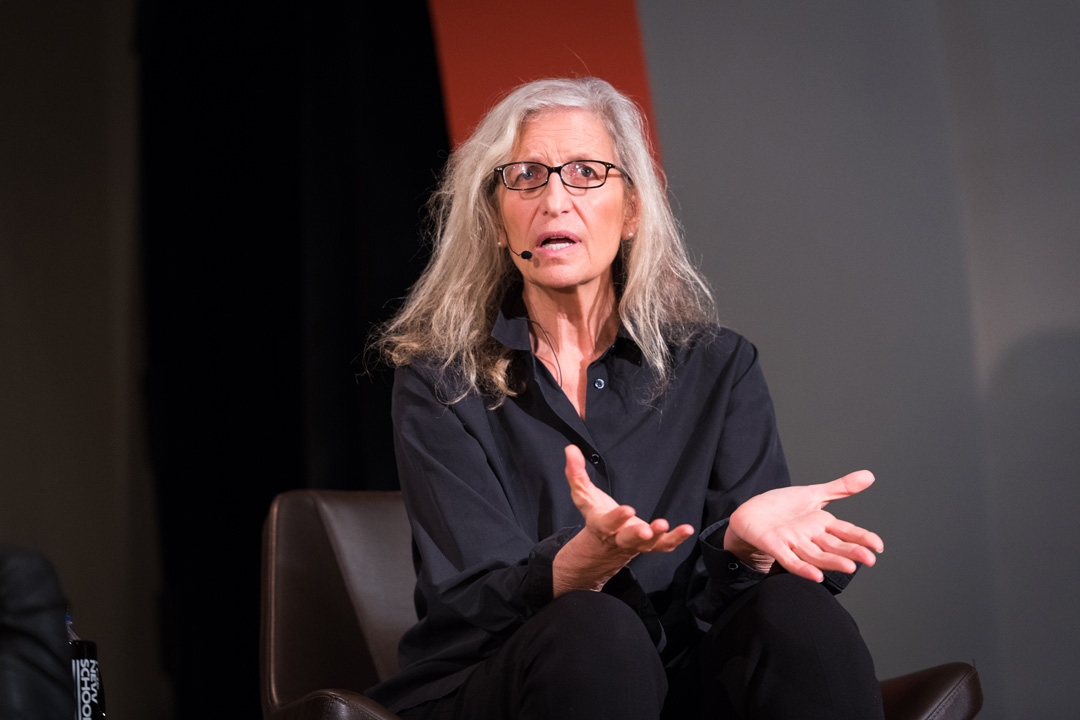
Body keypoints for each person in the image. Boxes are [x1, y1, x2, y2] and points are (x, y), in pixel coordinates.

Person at [367, 77, 885, 720]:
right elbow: (469, 596)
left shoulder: (719, 367)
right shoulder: (442, 379)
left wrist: (741, 550)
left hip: (679, 680)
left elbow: (730, 606)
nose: (554, 199)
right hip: (505, 679)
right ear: (497, 222)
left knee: (796, 611)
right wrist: (570, 569)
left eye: (585, 172)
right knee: (595, 628)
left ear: (633, 210)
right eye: (525, 176)